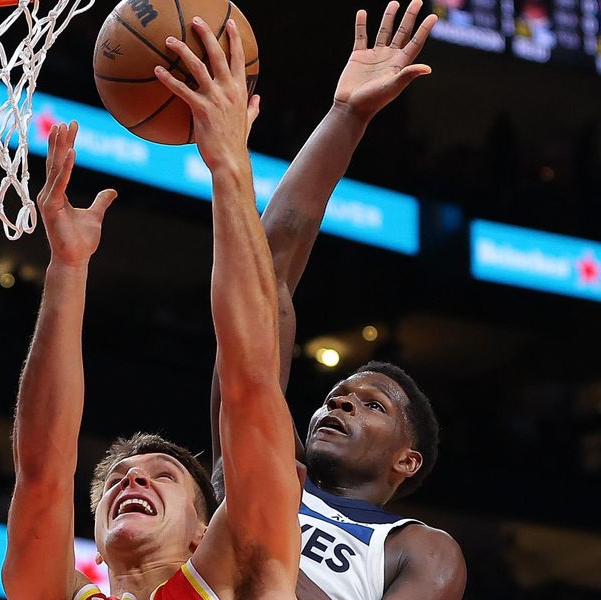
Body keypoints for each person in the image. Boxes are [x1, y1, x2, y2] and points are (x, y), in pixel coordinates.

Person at [2, 15, 300, 600]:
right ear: (93, 533)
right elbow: (42, 475)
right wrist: (68, 267)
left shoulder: (244, 574)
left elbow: (249, 382)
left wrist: (229, 166)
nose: (132, 477)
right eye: (117, 481)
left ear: (201, 533)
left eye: (161, 478)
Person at [208, 2, 468, 598]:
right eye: (338, 395)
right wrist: (346, 116)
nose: (341, 404)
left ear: (408, 461)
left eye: (373, 405)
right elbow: (264, 275)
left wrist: (255, 539)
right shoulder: (257, 466)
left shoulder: (417, 548)